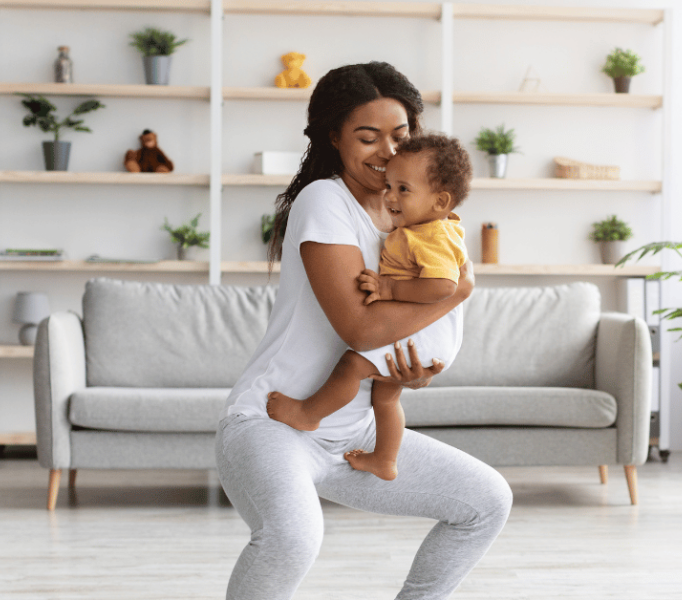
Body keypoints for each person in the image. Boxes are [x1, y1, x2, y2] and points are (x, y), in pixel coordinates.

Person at [215, 61, 512, 600]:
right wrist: (457, 292)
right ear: (335, 138)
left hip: (354, 433)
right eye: (367, 137)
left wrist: (414, 371)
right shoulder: (325, 201)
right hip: (273, 422)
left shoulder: (416, 218)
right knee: (292, 537)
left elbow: (402, 331)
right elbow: (360, 328)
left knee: (486, 501)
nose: (387, 151)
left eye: (401, 136)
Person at [265, 133, 472, 482]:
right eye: (389, 185)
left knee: (351, 365)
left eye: (403, 189)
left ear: (440, 202)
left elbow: (445, 286)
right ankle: (385, 459)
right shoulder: (424, 228)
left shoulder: (433, 235)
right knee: (387, 398)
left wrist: (389, 287)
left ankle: (308, 413)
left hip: (425, 330)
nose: (389, 196)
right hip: (427, 332)